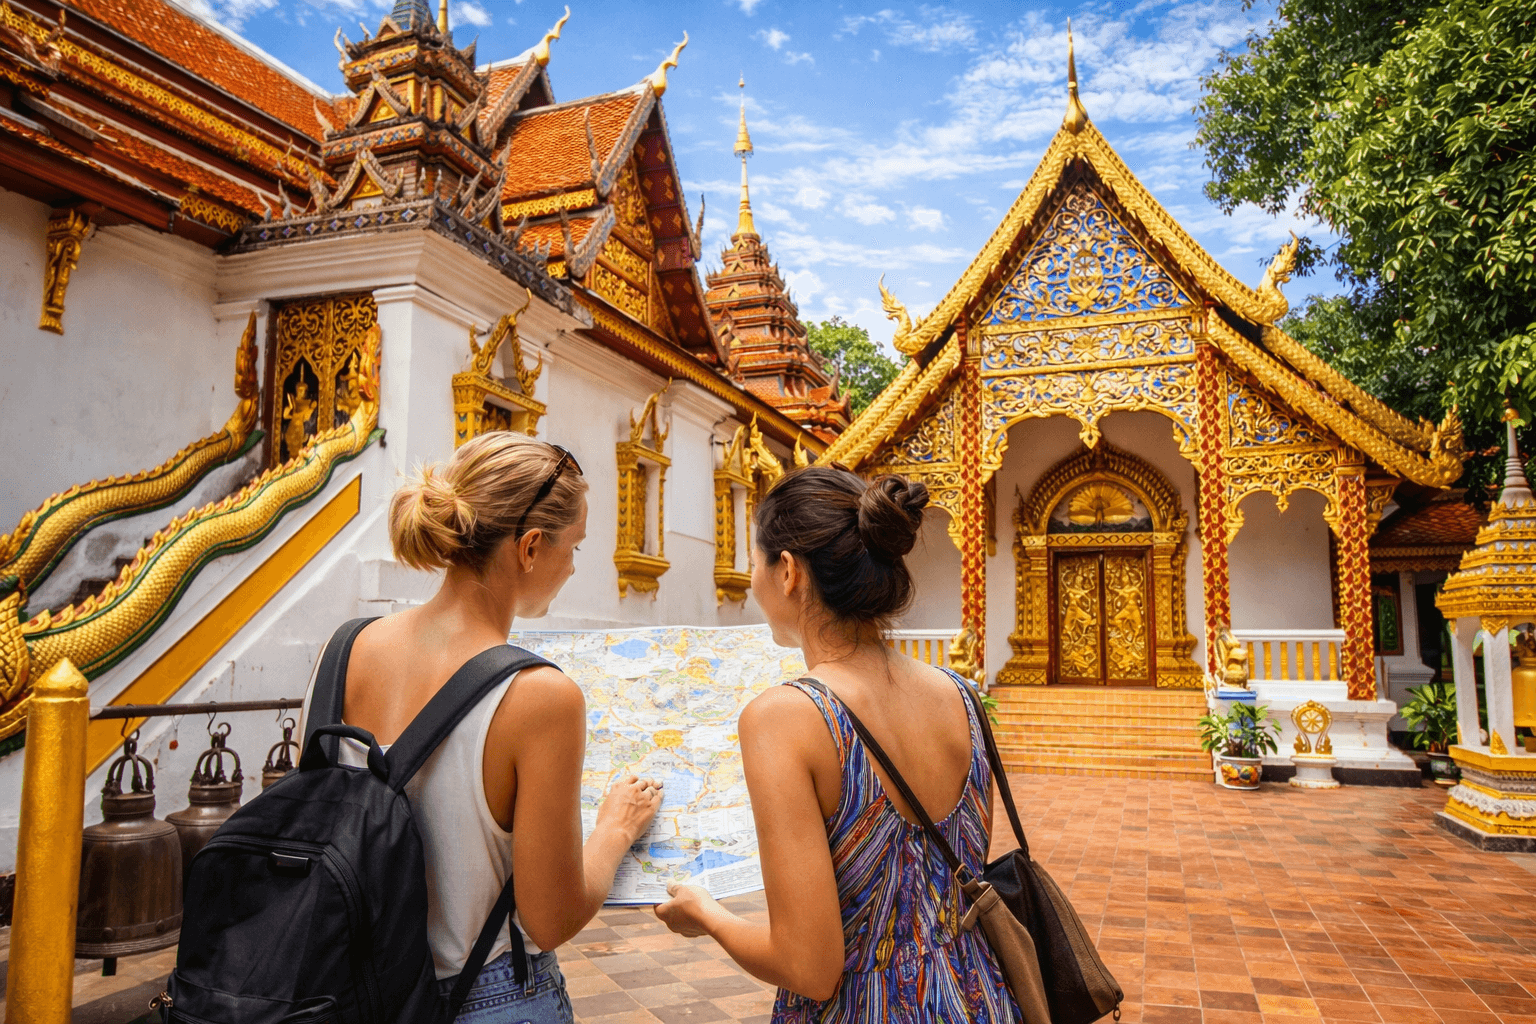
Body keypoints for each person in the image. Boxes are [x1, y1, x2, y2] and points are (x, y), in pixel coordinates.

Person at [309, 432, 662, 1023]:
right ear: (529, 548)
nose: (574, 565)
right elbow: (550, 918)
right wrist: (615, 829)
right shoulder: (538, 696)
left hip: (348, 989)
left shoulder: (342, 651)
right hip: (482, 996)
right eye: (573, 547)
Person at [654, 467, 1019, 1023]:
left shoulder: (788, 718)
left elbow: (810, 967)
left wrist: (706, 913)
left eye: (756, 562)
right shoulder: (961, 696)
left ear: (788, 572)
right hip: (978, 997)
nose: (753, 580)